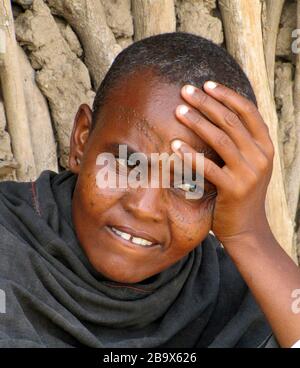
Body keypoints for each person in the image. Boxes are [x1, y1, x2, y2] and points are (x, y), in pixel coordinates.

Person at [0, 32, 299, 348]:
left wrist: (250, 236)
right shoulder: (8, 246)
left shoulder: (228, 296)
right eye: (128, 164)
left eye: (188, 183)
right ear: (82, 139)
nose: (144, 206)